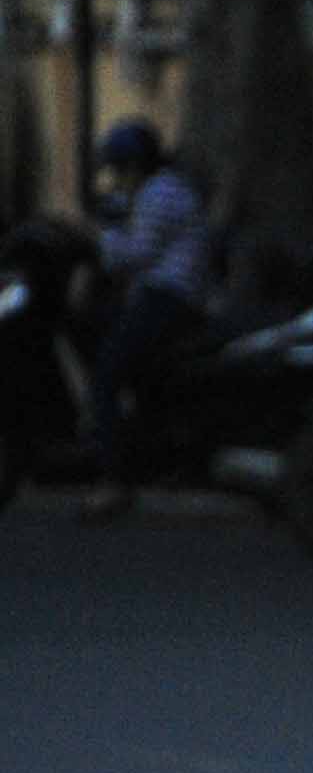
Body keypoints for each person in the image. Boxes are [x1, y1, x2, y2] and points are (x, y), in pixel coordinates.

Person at [73, 117, 218, 522]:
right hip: (160, 298)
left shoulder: (161, 196)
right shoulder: (160, 192)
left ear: (134, 166)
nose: (118, 180)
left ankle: (112, 481)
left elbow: (132, 255)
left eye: (121, 170)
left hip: (166, 299)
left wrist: (95, 235)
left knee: (106, 379)